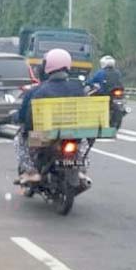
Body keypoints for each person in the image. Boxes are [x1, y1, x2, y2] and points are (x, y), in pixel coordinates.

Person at [15, 48, 86, 184]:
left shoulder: (37, 91)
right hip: (73, 133)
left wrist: (20, 121)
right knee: (81, 143)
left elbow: (27, 119)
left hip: (44, 137)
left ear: (47, 66)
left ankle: (31, 171)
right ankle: (81, 169)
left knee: (19, 140)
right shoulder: (79, 88)